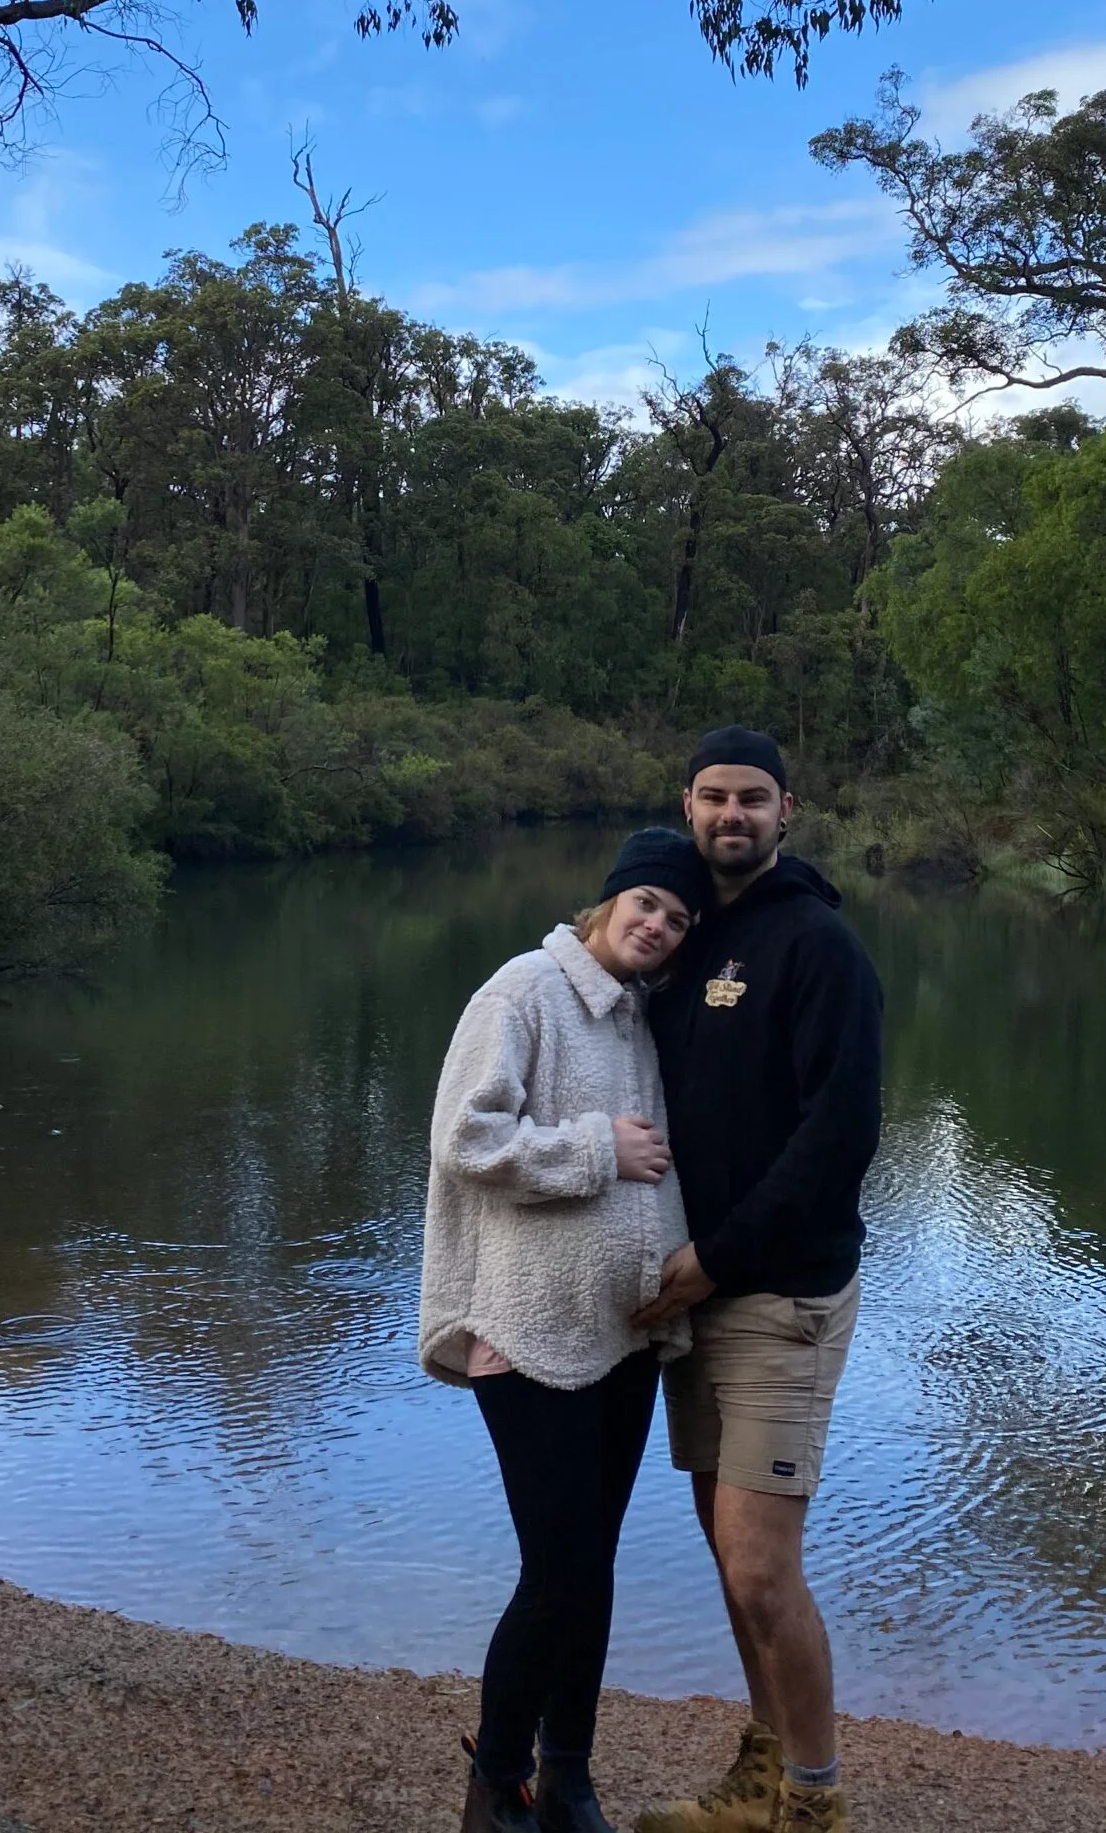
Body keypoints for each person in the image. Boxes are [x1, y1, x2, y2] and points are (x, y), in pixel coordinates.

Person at [420, 827, 713, 1833]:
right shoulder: (525, 990)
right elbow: (464, 1137)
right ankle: (495, 1780)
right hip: (527, 1331)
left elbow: (661, 1162)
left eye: (676, 919)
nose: (658, 926)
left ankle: (570, 1777)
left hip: (623, 1337)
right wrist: (595, 1149)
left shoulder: (639, 1018)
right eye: (646, 905)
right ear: (605, 903)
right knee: (560, 1571)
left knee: (594, 1566)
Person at [632, 729, 882, 1833]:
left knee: (759, 1565)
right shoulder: (684, 937)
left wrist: (717, 1259)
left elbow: (840, 1135)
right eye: (715, 796)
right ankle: (766, 1771)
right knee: (729, 1560)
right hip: (703, 1295)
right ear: (686, 806)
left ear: (790, 811)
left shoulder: (820, 948)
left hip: (780, 1295)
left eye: (754, 798)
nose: (733, 814)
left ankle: (818, 1804)